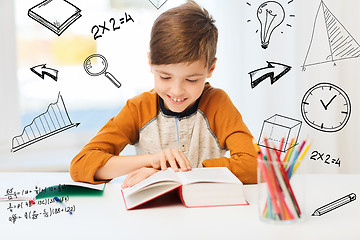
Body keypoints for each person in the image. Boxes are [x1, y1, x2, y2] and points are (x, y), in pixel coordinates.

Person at [70, 0, 257, 187]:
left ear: (211, 68)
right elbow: (81, 165)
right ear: (150, 62)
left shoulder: (218, 104)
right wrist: (151, 160)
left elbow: (255, 166)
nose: (176, 91)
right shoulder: (138, 108)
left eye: (192, 80)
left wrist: (170, 174)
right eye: (165, 77)